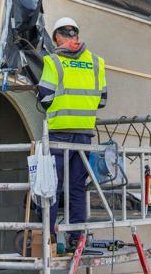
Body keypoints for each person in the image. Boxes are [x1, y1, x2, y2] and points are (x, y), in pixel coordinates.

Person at [37, 17, 107, 248]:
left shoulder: (53, 61)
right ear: (76, 35)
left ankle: (47, 236)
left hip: (60, 134)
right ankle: (77, 237)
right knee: (77, 187)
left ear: (57, 36)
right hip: (85, 135)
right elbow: (103, 101)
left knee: (52, 185)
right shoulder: (97, 62)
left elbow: (45, 98)